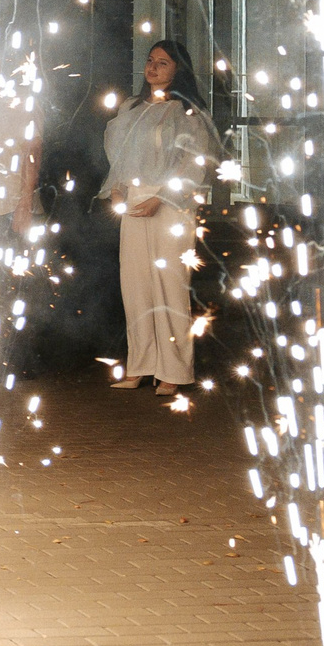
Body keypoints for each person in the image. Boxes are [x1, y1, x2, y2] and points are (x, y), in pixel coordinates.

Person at [101, 39, 221, 394]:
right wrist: (118, 189)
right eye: (150, 60)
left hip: (171, 205)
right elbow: (121, 156)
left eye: (163, 63)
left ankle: (174, 370)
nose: (152, 68)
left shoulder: (188, 113)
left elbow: (193, 163)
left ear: (178, 70)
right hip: (135, 201)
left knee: (170, 285)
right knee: (135, 285)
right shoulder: (132, 108)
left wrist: (163, 196)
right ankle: (140, 364)